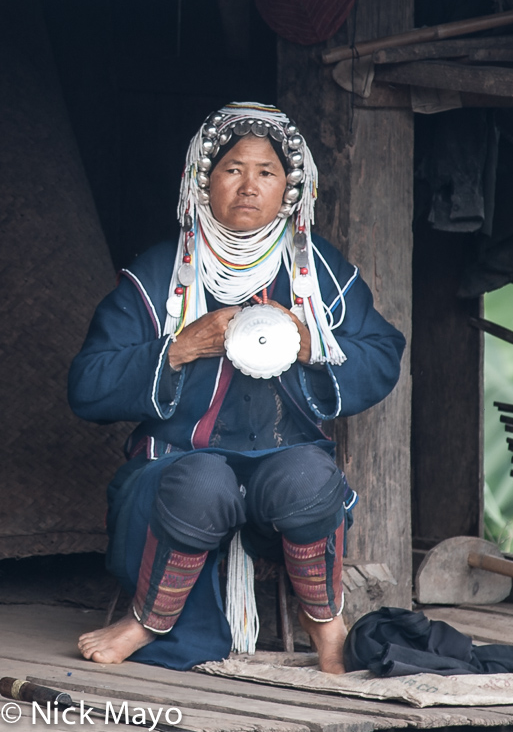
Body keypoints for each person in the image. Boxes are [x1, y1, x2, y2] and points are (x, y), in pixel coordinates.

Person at [69, 103, 406, 673]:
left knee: (310, 476)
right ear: (202, 180)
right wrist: (180, 347)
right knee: (202, 480)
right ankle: (148, 622)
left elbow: (382, 354)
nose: (249, 186)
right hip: (178, 465)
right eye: (232, 169)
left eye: (267, 172)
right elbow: (86, 383)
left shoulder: (319, 275)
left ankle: (326, 626)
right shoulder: (157, 275)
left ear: (290, 189)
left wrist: (309, 344)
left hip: (282, 462)